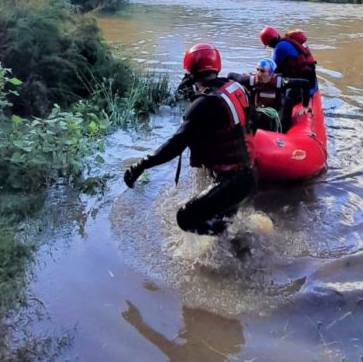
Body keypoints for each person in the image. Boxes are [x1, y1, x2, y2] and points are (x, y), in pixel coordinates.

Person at [124, 43, 256, 236]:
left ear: (190, 71)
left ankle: (237, 238)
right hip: (249, 174)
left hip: (232, 181)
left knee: (186, 218)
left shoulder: (204, 104)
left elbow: (175, 145)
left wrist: (141, 165)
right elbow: (250, 123)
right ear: (216, 65)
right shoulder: (237, 88)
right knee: (222, 219)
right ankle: (238, 248)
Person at [227, 58, 309, 132]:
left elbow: (305, 83)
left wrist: (305, 105)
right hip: (258, 112)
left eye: (262, 71)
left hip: (275, 113)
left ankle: (283, 132)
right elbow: (230, 75)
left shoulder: (280, 82)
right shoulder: (250, 80)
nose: (258, 74)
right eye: (257, 70)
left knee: (287, 101)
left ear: (271, 74)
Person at [259, 26, 318, 100]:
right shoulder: (288, 41)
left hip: (305, 84)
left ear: (269, 44)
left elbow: (271, 69)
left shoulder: (280, 47)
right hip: (311, 78)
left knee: (272, 81)